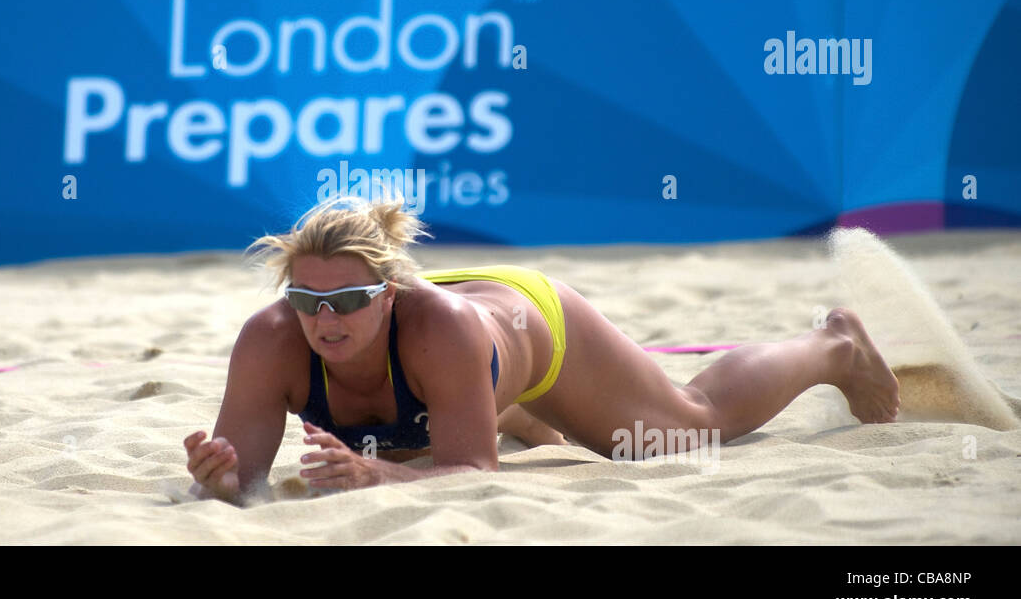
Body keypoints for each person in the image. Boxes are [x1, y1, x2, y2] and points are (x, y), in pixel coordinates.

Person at [184, 197, 901, 503]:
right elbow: (239, 483)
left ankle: (833, 345)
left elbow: (469, 468)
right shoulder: (270, 338)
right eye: (308, 302)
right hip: (461, 371)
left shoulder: (440, 327)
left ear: (388, 293)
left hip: (533, 325)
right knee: (402, 437)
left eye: (345, 301)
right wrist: (218, 478)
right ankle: (514, 409)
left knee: (683, 426)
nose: (324, 319)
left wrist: (372, 475)